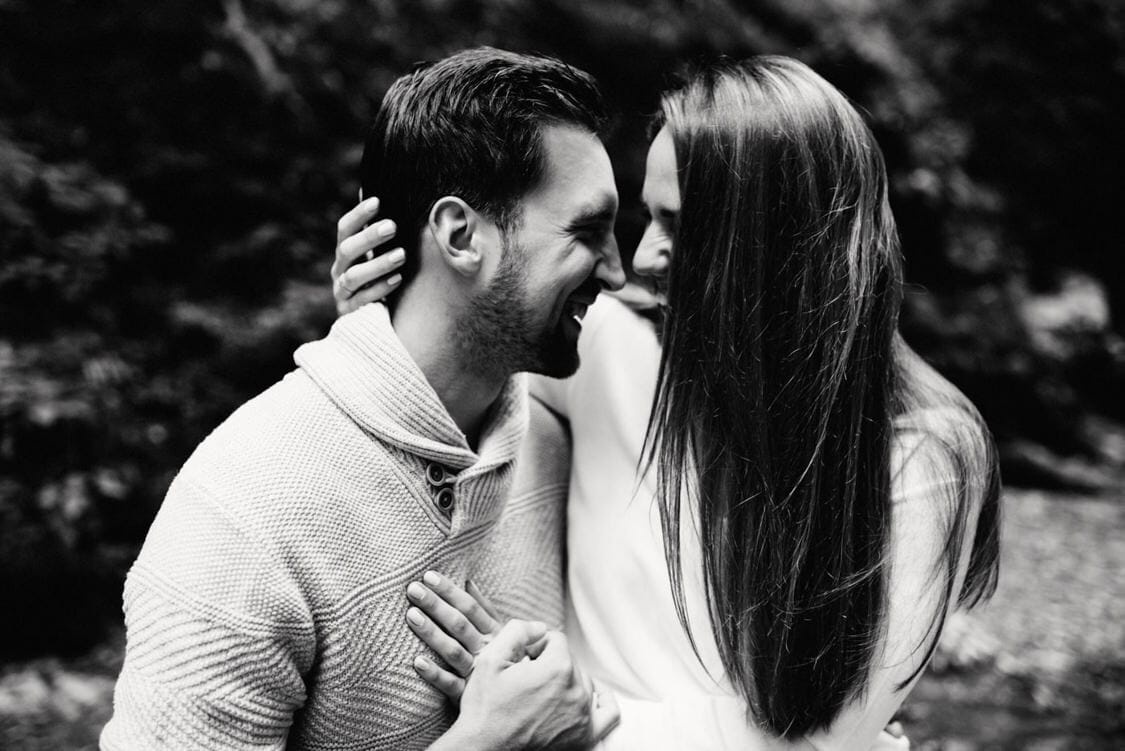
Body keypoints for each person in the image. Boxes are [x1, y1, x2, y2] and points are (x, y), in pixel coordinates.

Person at [332, 56, 1001, 749]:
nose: (641, 257)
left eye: (679, 225)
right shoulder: (605, 345)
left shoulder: (925, 452)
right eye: (647, 217)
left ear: (778, 240)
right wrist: (382, 316)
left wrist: (558, 717)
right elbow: (450, 367)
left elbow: (823, 737)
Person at [101, 48, 626, 750]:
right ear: (461, 235)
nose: (619, 271)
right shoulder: (241, 511)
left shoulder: (548, 440)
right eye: (588, 232)